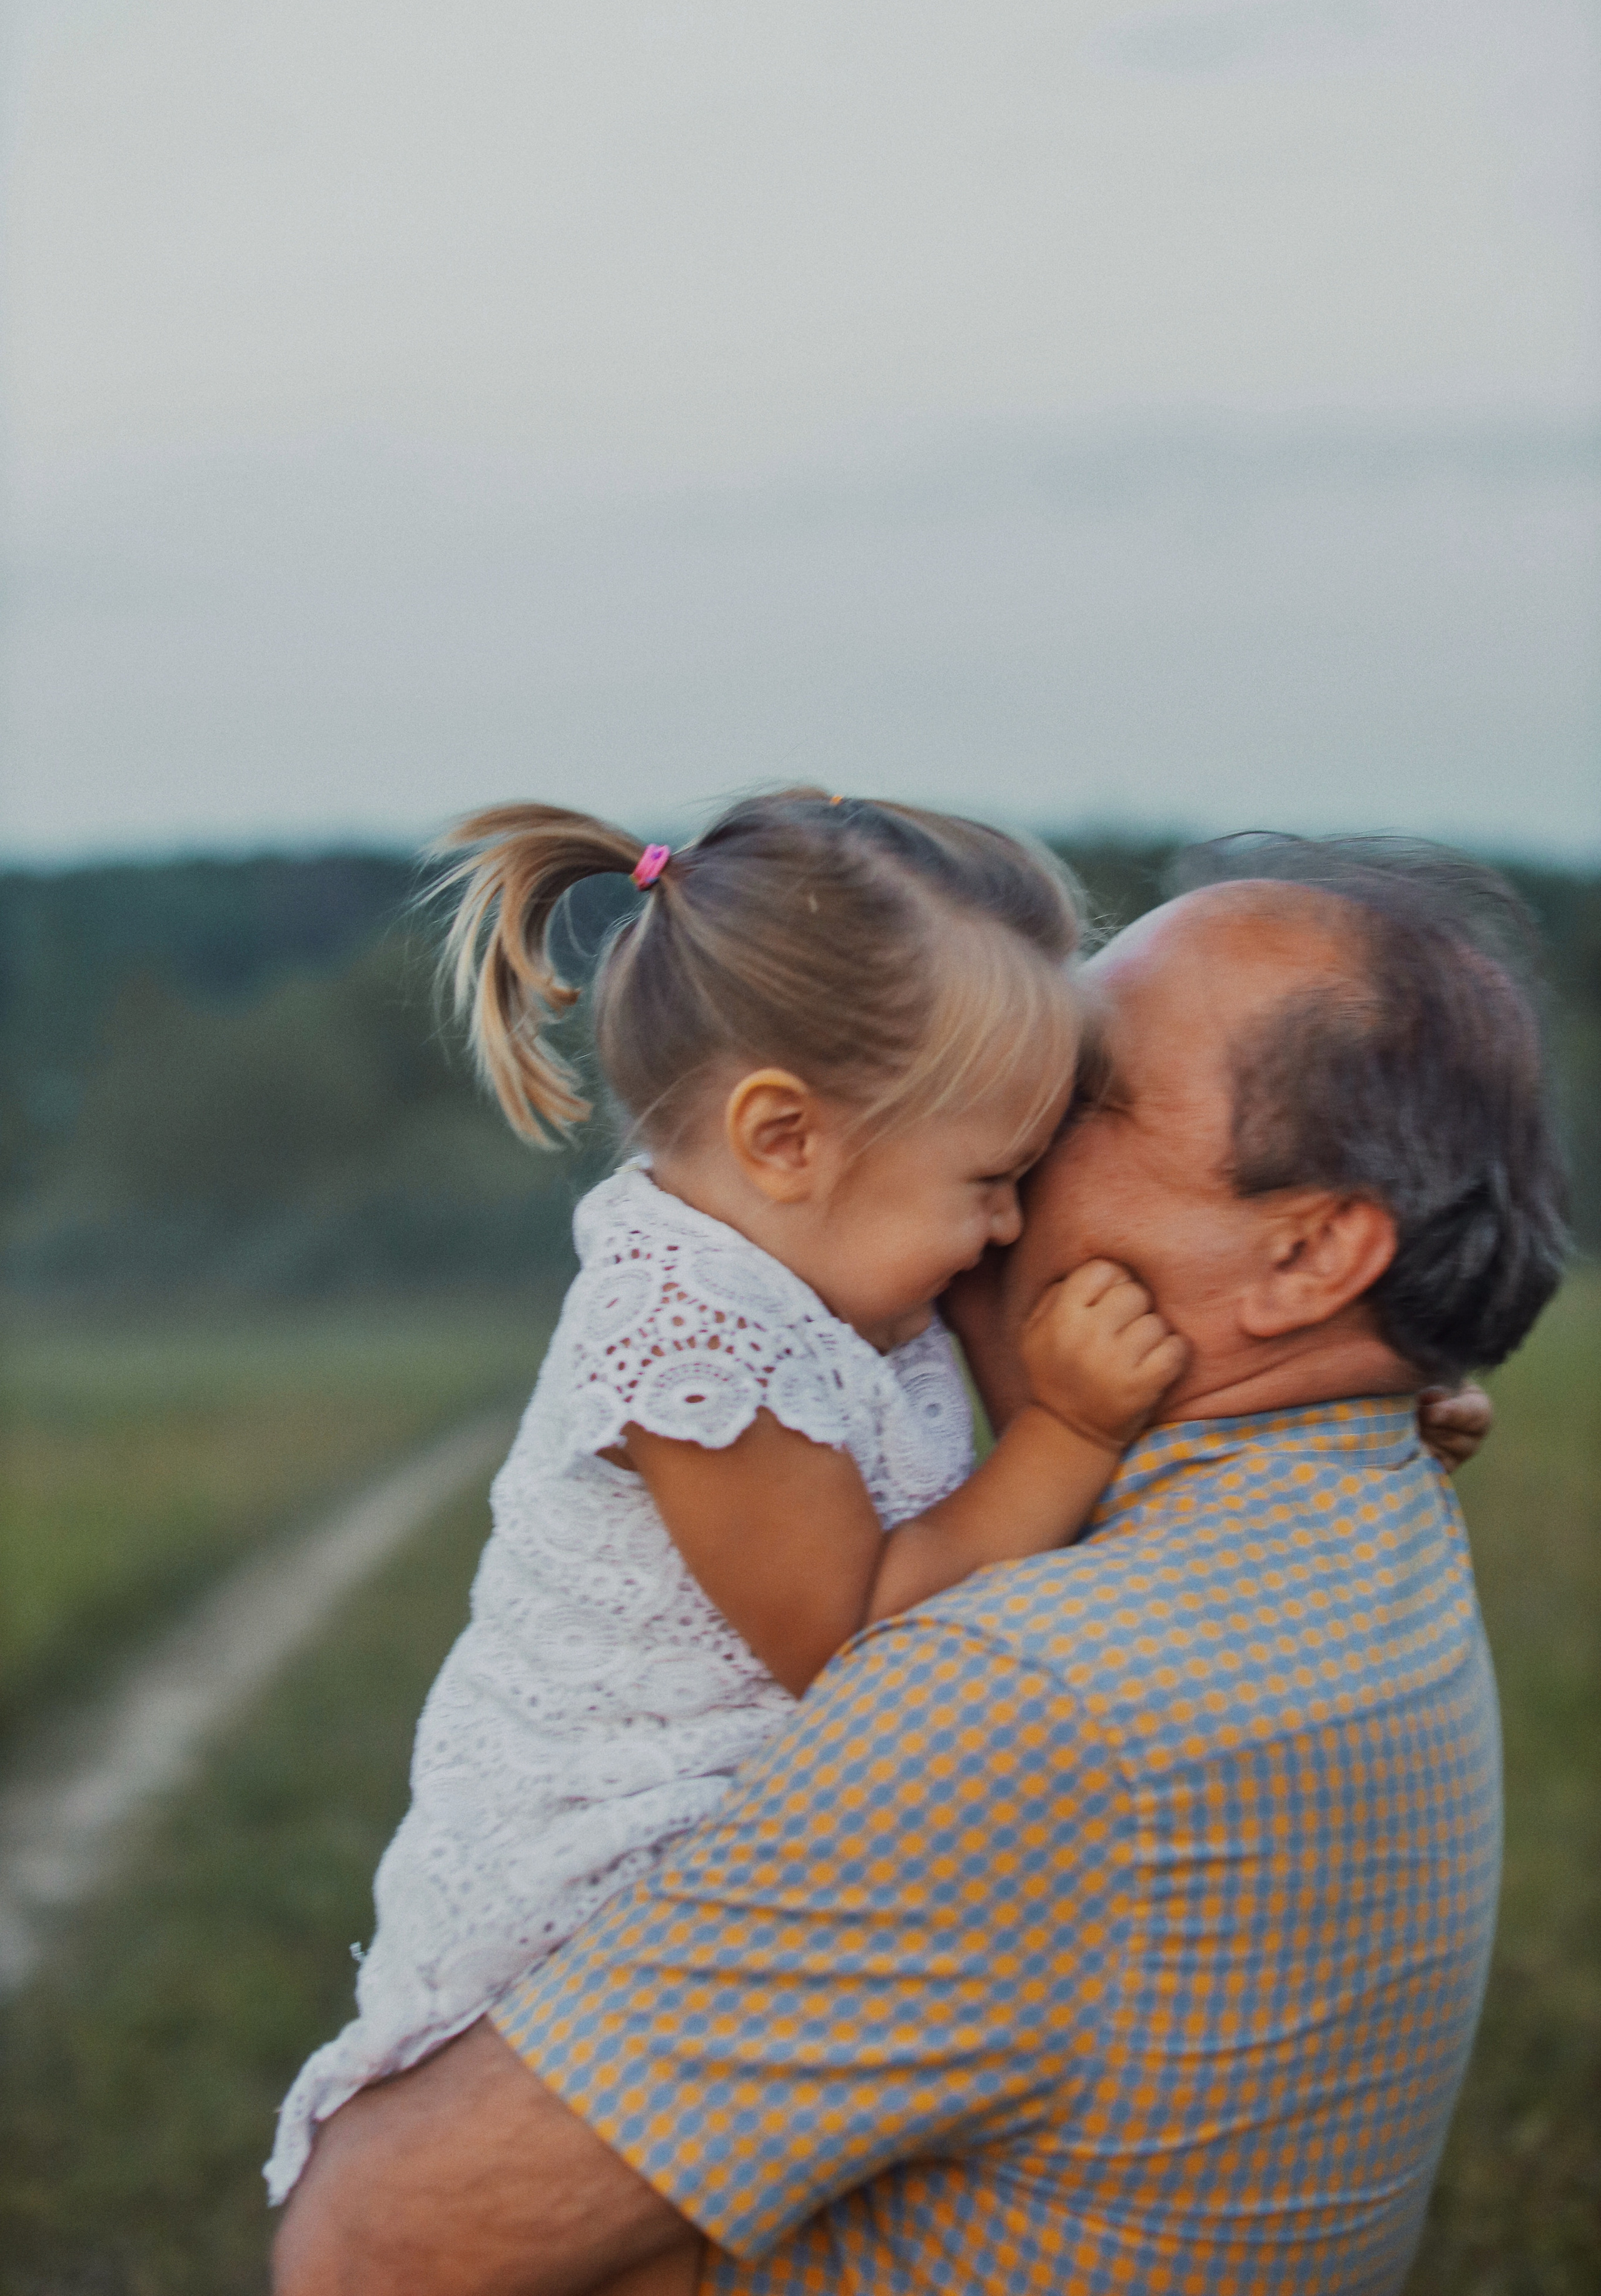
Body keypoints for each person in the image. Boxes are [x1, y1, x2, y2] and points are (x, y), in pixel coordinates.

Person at [275, 833, 1554, 2296]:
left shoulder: (1018, 1700)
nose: (1010, 1139)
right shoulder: (1368, 1510)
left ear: (1308, 1258)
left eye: (1081, 1097)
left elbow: (369, 2251)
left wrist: (1066, 1423)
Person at [268, 790, 1198, 2198]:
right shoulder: (692, 1332)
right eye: (992, 1181)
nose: (1011, 1227)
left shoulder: (839, 1253)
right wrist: (1069, 1431)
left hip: (749, 1827)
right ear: (784, 1138)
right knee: (631, 2235)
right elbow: (855, 1641)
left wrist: (1338, 1388)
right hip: (604, 1873)